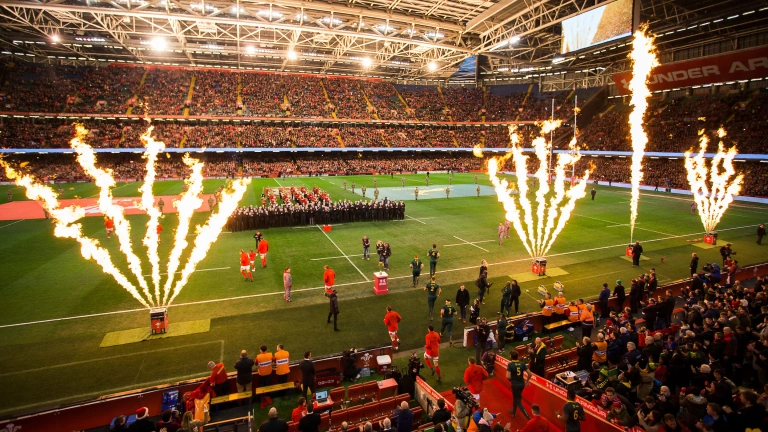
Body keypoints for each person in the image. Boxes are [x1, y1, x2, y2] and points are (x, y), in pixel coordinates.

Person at [507, 351, 532, 419]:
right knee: (516, 398)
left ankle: (529, 418)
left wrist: (511, 379)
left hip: (515, 385)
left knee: (518, 401)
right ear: (518, 356)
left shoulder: (510, 365)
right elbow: (530, 374)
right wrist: (527, 380)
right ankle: (514, 412)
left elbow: (508, 376)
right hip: (521, 384)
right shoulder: (522, 364)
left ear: (511, 357)